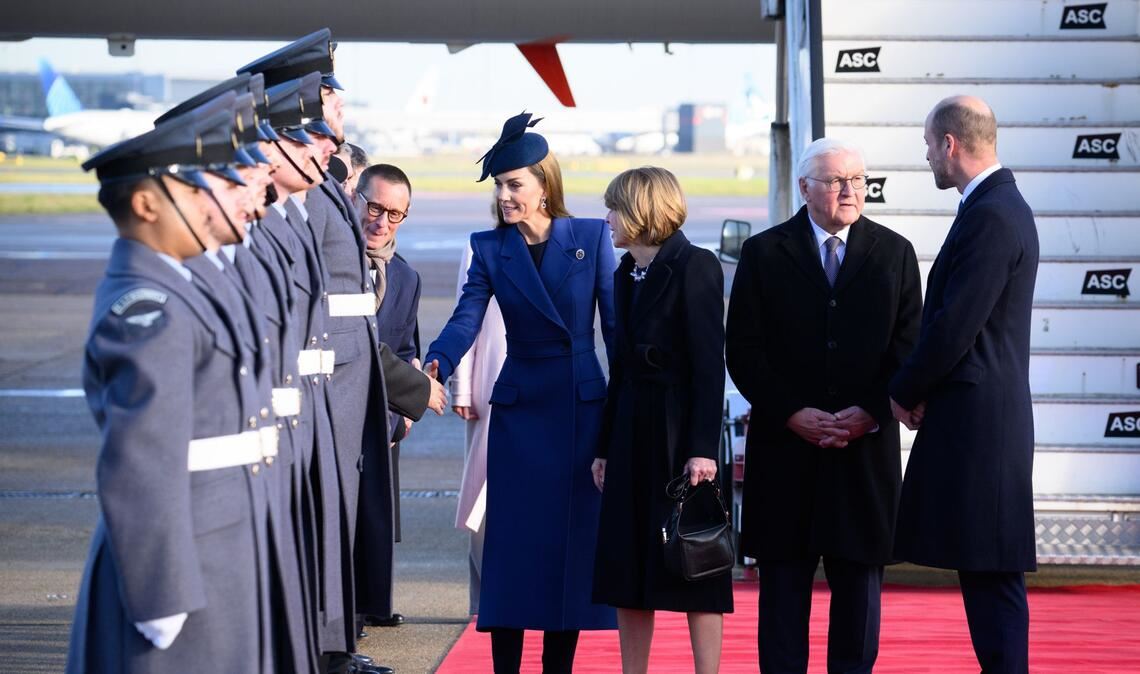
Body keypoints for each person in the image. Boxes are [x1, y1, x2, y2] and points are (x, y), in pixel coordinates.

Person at [66, 102, 279, 673]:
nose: (209, 206)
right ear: (145, 204)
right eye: (192, 194)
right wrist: (161, 596)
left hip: (219, 544)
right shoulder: (147, 306)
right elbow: (140, 463)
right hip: (182, 568)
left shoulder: (183, 284)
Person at [424, 111, 617, 673]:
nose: (505, 196)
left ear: (543, 185)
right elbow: (466, 318)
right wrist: (437, 360)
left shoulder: (590, 236)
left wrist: (629, 403)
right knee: (508, 551)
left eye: (515, 184)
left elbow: (617, 332)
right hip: (520, 410)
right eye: (500, 186)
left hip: (580, 409)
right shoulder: (489, 248)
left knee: (568, 552)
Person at [726, 138, 923, 674]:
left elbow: (910, 347)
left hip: (863, 457)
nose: (849, 190)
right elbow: (743, 349)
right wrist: (792, 412)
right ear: (805, 187)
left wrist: (870, 411)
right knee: (784, 601)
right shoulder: (765, 253)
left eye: (857, 179)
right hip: (786, 453)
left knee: (859, 603)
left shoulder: (895, 252)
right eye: (836, 180)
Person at [889, 96, 1039, 674]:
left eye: (929, 145)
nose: (927, 156)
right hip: (981, 419)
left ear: (950, 144)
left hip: (982, 425)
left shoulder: (994, 214)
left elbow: (956, 322)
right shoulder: (992, 208)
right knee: (983, 567)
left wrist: (904, 388)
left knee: (991, 570)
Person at [590, 167, 730, 674]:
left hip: (678, 436)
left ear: (640, 210)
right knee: (627, 565)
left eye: (614, 208)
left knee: (697, 560)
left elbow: (709, 365)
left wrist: (702, 449)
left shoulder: (696, 266)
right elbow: (620, 371)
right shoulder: (624, 273)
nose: (607, 218)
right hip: (630, 433)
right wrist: (603, 447)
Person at [355, 163, 423, 629]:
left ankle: (370, 605)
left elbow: (406, 348)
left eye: (395, 214)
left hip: (382, 420)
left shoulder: (405, 277)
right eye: (374, 206)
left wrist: (404, 416)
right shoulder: (330, 263)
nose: (381, 222)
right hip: (334, 417)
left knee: (377, 522)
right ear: (354, 197)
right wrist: (418, 393)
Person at [449, 241, 507, 617]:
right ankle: (482, 602)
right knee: (481, 501)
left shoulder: (569, 242)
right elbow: (465, 317)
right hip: (490, 388)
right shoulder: (482, 246)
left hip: (546, 392)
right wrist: (462, 386)